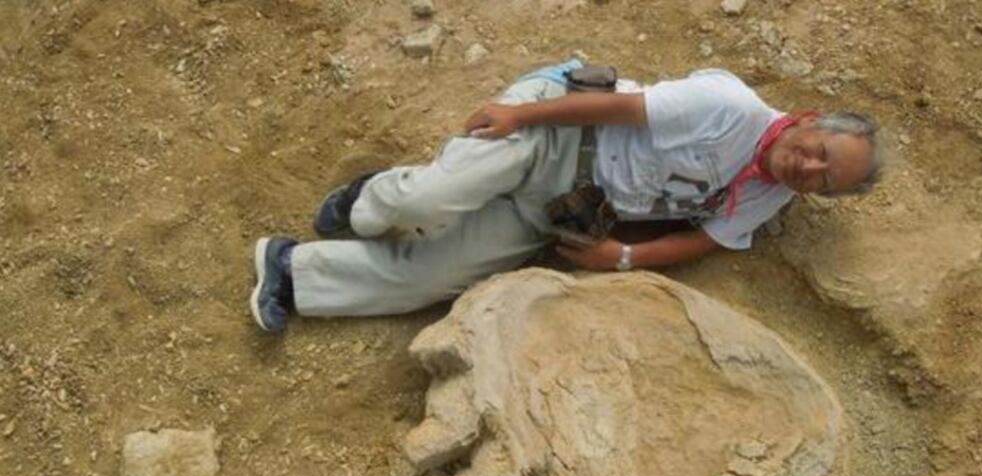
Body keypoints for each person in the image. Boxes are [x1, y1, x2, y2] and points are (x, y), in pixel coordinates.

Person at [250, 60, 884, 333]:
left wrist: (624, 259)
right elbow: (618, 106)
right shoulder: (730, 107)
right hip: (556, 133)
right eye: (819, 152)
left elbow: (706, 238)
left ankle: (289, 272)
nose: (808, 169)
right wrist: (520, 117)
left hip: (563, 210)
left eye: (826, 181)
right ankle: (370, 197)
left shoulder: (772, 195)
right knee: (429, 202)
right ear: (809, 118)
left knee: (432, 279)